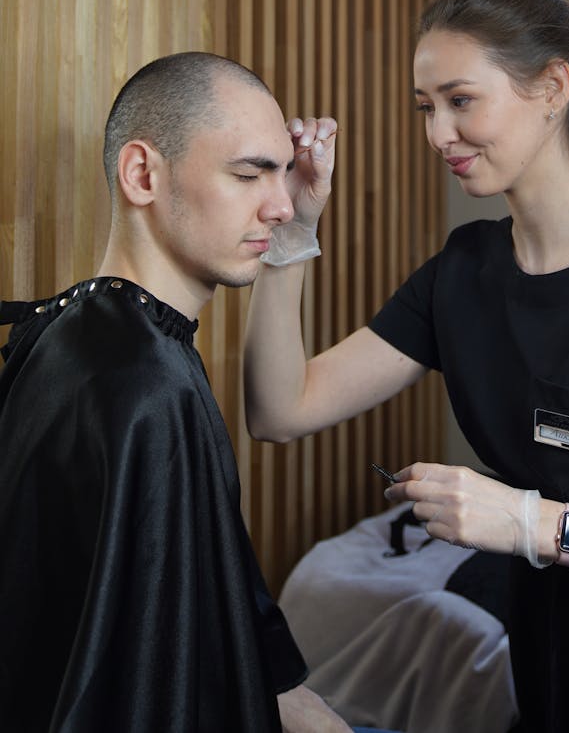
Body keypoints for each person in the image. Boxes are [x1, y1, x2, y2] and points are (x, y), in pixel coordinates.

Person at [244, 0, 569, 733]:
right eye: (426, 108)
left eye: (460, 101)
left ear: (552, 87)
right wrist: (289, 236)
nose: (437, 134)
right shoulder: (464, 275)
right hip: (550, 670)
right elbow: (280, 410)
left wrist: (526, 522)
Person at [0, 51, 362, 733]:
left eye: (285, 173)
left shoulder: (71, 332)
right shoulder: (147, 392)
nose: (281, 204)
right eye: (250, 173)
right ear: (143, 174)